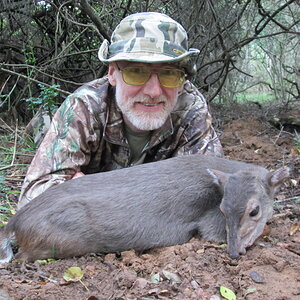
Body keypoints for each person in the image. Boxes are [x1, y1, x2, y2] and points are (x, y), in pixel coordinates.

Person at [18, 12, 223, 208]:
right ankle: (42, 121)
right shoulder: (85, 106)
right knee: (45, 128)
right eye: (136, 72)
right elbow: (32, 200)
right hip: (66, 131)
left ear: (181, 82)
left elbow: (211, 194)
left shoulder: (190, 108)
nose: (153, 91)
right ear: (112, 74)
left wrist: (88, 191)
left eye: (169, 74)